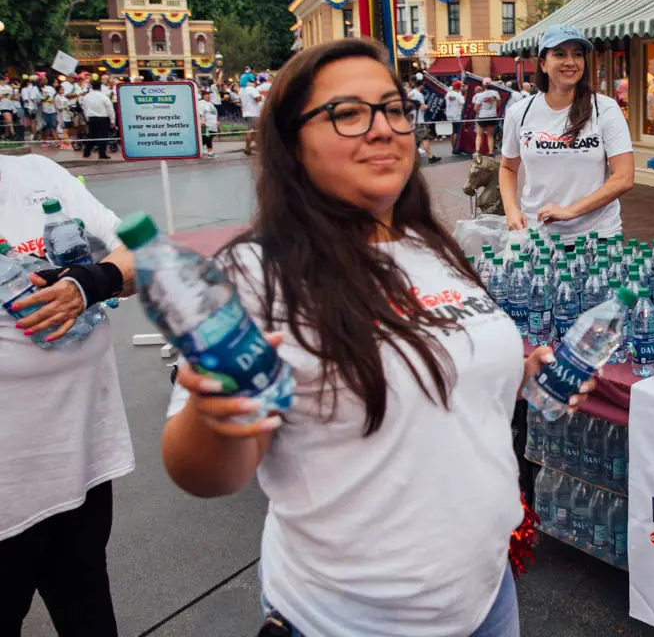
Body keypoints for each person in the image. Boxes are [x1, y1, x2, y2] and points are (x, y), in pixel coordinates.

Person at [161, 38, 590, 635]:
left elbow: (440, 377)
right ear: (292, 142)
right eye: (347, 113)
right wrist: (215, 415)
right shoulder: (257, 274)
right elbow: (203, 474)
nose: (383, 128)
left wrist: (517, 375)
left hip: (487, 598)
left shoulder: (433, 247)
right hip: (350, 617)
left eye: (393, 109)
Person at [0, 153, 137, 636]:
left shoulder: (38, 174)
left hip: (78, 465)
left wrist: (91, 282)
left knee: (89, 616)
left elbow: (143, 252)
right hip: (5, 492)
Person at [498, 24, 634, 239]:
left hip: (596, 236)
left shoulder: (605, 109)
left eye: (577, 54)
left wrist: (571, 211)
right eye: (560, 54)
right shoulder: (520, 113)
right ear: (543, 64)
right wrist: (511, 210)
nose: (570, 62)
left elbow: (624, 177)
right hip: (538, 234)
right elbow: (508, 167)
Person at [79, 79, 116, 160]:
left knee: (92, 136)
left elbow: (85, 108)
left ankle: (86, 152)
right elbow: (110, 109)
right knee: (103, 136)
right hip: (103, 118)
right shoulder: (104, 97)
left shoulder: (86, 97)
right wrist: (112, 120)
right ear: (100, 87)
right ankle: (102, 153)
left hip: (92, 118)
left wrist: (87, 118)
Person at [406, 76, 439, 164]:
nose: (424, 87)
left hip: (412, 120)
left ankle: (412, 158)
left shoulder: (410, 93)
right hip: (419, 120)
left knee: (416, 141)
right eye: (423, 85)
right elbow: (421, 107)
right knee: (425, 138)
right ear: (420, 86)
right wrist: (426, 106)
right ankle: (430, 157)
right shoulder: (418, 94)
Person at [472, 78, 501, 155]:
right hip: (492, 116)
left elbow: (475, 108)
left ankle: (477, 151)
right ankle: (491, 152)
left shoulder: (480, 95)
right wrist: (493, 109)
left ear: (483, 85)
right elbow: (499, 104)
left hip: (482, 116)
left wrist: (480, 110)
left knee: (479, 134)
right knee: (490, 135)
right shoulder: (496, 93)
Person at [239, 76, 263, 156]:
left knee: (252, 130)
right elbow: (258, 98)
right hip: (254, 113)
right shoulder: (251, 89)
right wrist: (261, 96)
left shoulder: (241, 90)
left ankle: (249, 148)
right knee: (255, 131)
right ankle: (250, 148)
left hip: (246, 112)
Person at [446, 79, 467, 156]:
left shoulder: (448, 94)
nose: (462, 87)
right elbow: (464, 103)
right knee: (456, 132)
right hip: (457, 115)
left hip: (449, 115)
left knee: (453, 131)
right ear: (458, 87)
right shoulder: (459, 96)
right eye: (461, 86)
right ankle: (456, 149)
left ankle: (453, 148)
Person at [197, 89, 219, 158]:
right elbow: (200, 114)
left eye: (209, 94)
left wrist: (217, 122)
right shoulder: (201, 103)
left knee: (207, 137)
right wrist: (202, 122)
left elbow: (214, 113)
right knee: (208, 137)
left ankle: (200, 148)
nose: (209, 96)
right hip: (206, 124)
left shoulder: (210, 103)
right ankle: (210, 153)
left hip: (213, 124)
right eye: (207, 94)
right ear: (203, 96)